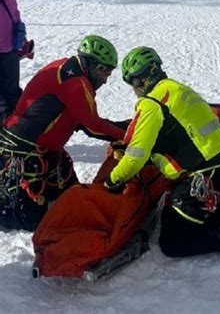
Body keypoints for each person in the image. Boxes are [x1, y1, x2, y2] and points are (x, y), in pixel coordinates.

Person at [104, 46, 220, 259]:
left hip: (204, 179)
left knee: (173, 242)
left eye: (132, 83)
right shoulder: (179, 90)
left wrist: (112, 180)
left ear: (139, 80)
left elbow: (135, 157)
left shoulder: (151, 104)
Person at [0, 35, 127, 231]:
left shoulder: (65, 67)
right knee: (31, 219)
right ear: (92, 64)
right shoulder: (76, 83)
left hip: (40, 147)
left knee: (69, 195)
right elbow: (92, 125)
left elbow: (78, 118)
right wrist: (126, 135)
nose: (105, 79)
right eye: (104, 71)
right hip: (25, 151)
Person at [0, 0, 23, 120]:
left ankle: (12, 131)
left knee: (11, 93)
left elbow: (10, 2)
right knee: (6, 96)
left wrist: (19, 27)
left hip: (9, 41)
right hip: (6, 42)